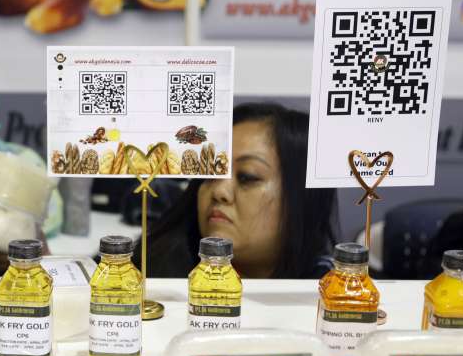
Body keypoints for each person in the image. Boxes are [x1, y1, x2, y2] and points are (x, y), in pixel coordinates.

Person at [138, 103, 338, 279]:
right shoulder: (144, 279)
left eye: (247, 177)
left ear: (303, 200)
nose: (219, 191)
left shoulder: (335, 297)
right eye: (212, 172)